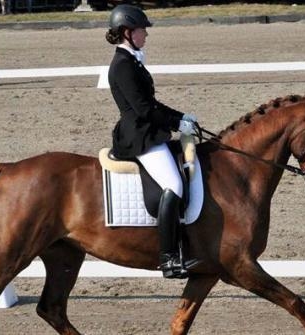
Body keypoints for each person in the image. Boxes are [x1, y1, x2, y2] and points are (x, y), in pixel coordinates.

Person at [105, 4, 201, 279]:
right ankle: (168, 257)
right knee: (173, 184)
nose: (145, 34)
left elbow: (152, 103)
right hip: (138, 136)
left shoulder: (132, 60)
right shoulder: (123, 66)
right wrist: (175, 124)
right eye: (141, 30)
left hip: (146, 130)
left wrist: (182, 117)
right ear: (127, 32)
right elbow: (143, 109)